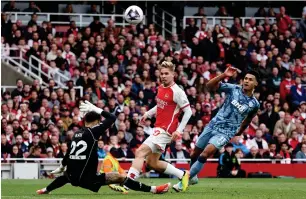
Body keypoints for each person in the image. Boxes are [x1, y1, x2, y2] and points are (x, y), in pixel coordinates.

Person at [36, 101, 170, 195]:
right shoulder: (93, 131)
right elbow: (112, 117)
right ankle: (154, 189)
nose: (100, 124)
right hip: (87, 179)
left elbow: (69, 153)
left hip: (72, 175)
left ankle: (45, 190)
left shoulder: (77, 133)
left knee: (65, 177)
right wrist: (96, 108)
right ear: (95, 122)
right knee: (120, 177)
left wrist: (62, 165)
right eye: (98, 122)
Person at [173, 67, 260, 191]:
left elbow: (248, 119)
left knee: (205, 153)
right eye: (245, 78)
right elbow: (209, 86)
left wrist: (239, 131)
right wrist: (223, 75)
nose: (246, 81)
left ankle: (183, 182)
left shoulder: (255, 104)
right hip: (213, 125)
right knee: (194, 154)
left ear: (256, 83)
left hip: (226, 132)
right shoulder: (234, 88)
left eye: (250, 80)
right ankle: (193, 177)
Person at [126, 61, 192, 192]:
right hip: (158, 128)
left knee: (140, 152)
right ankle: (183, 174)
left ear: (173, 74)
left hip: (166, 130)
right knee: (152, 163)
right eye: (162, 73)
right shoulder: (161, 87)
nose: (163, 76)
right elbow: (161, 105)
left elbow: (188, 111)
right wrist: (148, 113)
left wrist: (179, 130)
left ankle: (127, 183)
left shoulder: (177, 91)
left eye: (167, 73)